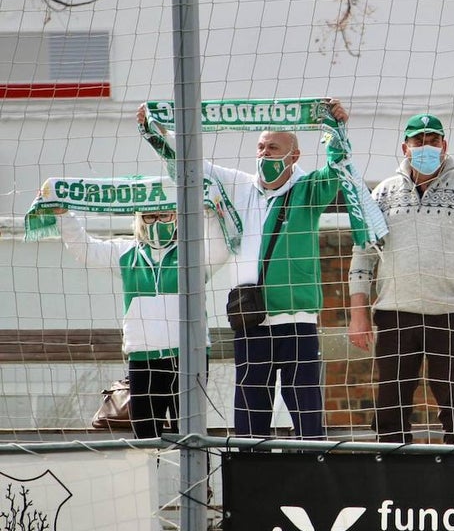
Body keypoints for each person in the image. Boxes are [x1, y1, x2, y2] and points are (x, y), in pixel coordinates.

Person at [138, 100, 359, 440]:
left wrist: (336, 127)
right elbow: (192, 166)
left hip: (298, 322)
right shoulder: (238, 186)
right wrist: (155, 132)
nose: (265, 154)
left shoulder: (309, 190)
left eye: (273, 148)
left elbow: (338, 168)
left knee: (307, 412)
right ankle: (250, 483)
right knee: (250, 413)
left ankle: (313, 483)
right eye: (261, 147)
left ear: (294, 156)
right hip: (251, 320)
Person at [348, 113, 454, 444]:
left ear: (445, 145)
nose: (426, 146)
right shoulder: (382, 192)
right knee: (390, 406)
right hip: (396, 313)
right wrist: (358, 315)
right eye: (418, 140)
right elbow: (363, 255)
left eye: (433, 140)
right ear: (405, 147)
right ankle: (391, 480)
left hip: (451, 314)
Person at [57, 206, 230, 438]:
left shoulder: (193, 253)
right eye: (149, 216)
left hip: (189, 358)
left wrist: (210, 212)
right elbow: (84, 248)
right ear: (139, 219)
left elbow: (220, 251)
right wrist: (63, 215)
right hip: (143, 361)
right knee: (145, 441)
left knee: (192, 439)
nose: (157, 222)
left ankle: (197, 477)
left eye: (164, 215)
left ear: (177, 217)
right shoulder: (126, 252)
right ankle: (149, 475)